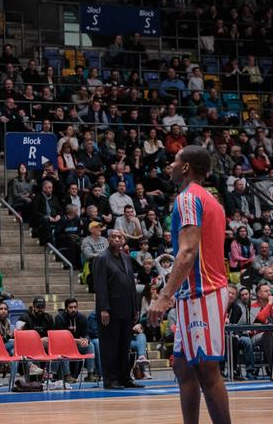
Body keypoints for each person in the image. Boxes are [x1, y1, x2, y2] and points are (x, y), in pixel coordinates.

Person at [147, 145, 231, 424]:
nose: (169, 165)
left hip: (201, 292)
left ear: (185, 168)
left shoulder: (187, 199)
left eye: (174, 161)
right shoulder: (211, 200)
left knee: (207, 371)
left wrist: (163, 296)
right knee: (183, 368)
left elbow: (187, 251)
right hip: (194, 294)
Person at [92, 230, 141, 390]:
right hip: (110, 311)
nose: (117, 239)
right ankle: (110, 379)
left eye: (120, 237)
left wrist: (135, 308)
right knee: (109, 347)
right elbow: (100, 286)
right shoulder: (101, 258)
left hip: (126, 309)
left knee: (124, 346)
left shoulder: (127, 258)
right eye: (114, 237)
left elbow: (131, 285)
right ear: (108, 240)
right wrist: (104, 309)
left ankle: (124, 378)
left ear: (123, 240)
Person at [53, 298, 98, 383]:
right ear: (66, 309)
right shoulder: (59, 318)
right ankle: (67, 375)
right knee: (63, 346)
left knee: (90, 345)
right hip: (64, 345)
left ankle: (90, 373)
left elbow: (87, 333)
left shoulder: (82, 317)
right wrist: (76, 340)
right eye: (70, 307)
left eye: (75, 307)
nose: (73, 309)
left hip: (78, 344)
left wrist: (86, 339)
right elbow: (59, 337)